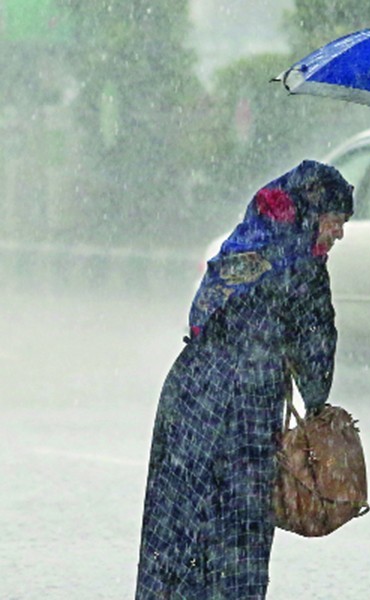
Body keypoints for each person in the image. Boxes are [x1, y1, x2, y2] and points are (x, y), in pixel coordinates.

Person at [135, 160, 354, 598]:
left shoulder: (243, 247)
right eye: (336, 221)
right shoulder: (304, 268)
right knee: (236, 546)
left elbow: (201, 317)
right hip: (244, 417)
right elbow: (317, 372)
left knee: (176, 533)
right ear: (313, 214)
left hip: (188, 403)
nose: (339, 234)